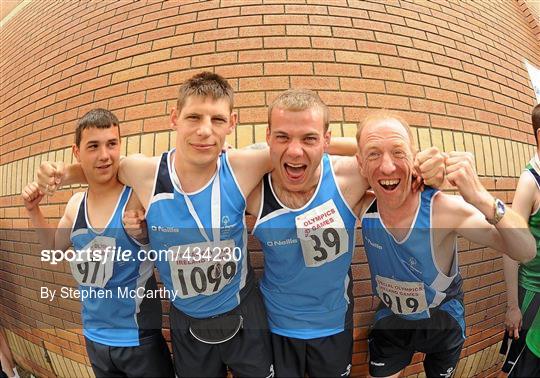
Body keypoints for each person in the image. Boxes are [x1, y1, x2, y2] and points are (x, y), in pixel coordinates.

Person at [36, 73, 275, 378]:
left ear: (232, 123)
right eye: (193, 117)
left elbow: (303, 151)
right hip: (186, 321)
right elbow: (101, 168)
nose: (204, 130)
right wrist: (60, 174)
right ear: (175, 118)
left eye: (217, 119)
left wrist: (358, 154)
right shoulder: (144, 171)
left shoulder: (244, 164)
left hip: (242, 310)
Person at [247, 90, 446, 377]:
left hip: (333, 323)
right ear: (268, 137)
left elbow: (390, 157)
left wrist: (429, 169)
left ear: (326, 141)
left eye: (309, 138)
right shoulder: (253, 184)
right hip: (276, 324)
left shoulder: (350, 177)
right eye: (282, 137)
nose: (294, 151)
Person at [354, 110, 535, 378]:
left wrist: (481, 197)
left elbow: (526, 250)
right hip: (393, 318)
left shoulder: (442, 210)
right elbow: (317, 155)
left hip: (443, 318)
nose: (388, 167)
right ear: (359, 163)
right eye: (373, 154)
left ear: (414, 157)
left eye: (398, 152)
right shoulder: (362, 204)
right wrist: (385, 147)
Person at [22, 109, 174, 378]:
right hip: (94, 338)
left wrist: (64, 173)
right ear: (76, 151)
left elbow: (153, 167)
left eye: (111, 144)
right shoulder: (75, 205)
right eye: (93, 146)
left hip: (139, 340)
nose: (105, 155)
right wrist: (34, 211)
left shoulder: (135, 195)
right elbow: (54, 250)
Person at [499, 104, 540, 377]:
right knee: (519, 370)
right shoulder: (530, 182)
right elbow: (510, 246)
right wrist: (513, 307)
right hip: (532, 299)